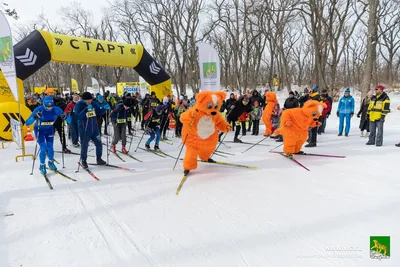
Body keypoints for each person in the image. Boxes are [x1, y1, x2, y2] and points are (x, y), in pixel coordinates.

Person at [25, 96, 66, 174]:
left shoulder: (57, 109)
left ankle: (50, 162)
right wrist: (34, 117)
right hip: (39, 131)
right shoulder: (38, 109)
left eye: (51, 106)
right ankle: (42, 165)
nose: (49, 108)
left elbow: (69, 120)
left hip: (50, 130)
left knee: (50, 148)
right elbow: (27, 123)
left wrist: (66, 117)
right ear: (43, 104)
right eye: (47, 106)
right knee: (43, 148)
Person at [74, 92, 110, 168]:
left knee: (99, 143)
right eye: (87, 100)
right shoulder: (79, 105)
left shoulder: (93, 103)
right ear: (83, 100)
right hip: (84, 129)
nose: (89, 102)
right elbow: (77, 117)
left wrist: (104, 108)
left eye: (90, 100)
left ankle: (99, 158)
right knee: (84, 145)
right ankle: (84, 160)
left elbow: (99, 112)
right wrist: (85, 110)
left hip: (94, 128)